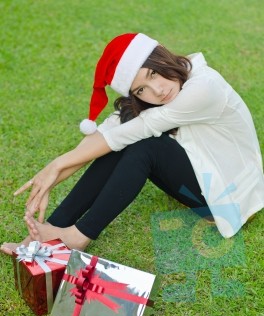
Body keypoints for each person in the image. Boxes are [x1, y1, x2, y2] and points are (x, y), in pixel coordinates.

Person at [1, 32, 264, 255]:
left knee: (145, 145)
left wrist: (57, 164)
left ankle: (79, 236)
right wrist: (50, 175)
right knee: (127, 140)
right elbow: (101, 138)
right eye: (141, 90)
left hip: (232, 200)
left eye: (153, 74)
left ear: (162, 57)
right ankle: (49, 232)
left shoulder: (205, 87)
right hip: (203, 183)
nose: (157, 91)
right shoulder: (154, 100)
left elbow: (126, 135)